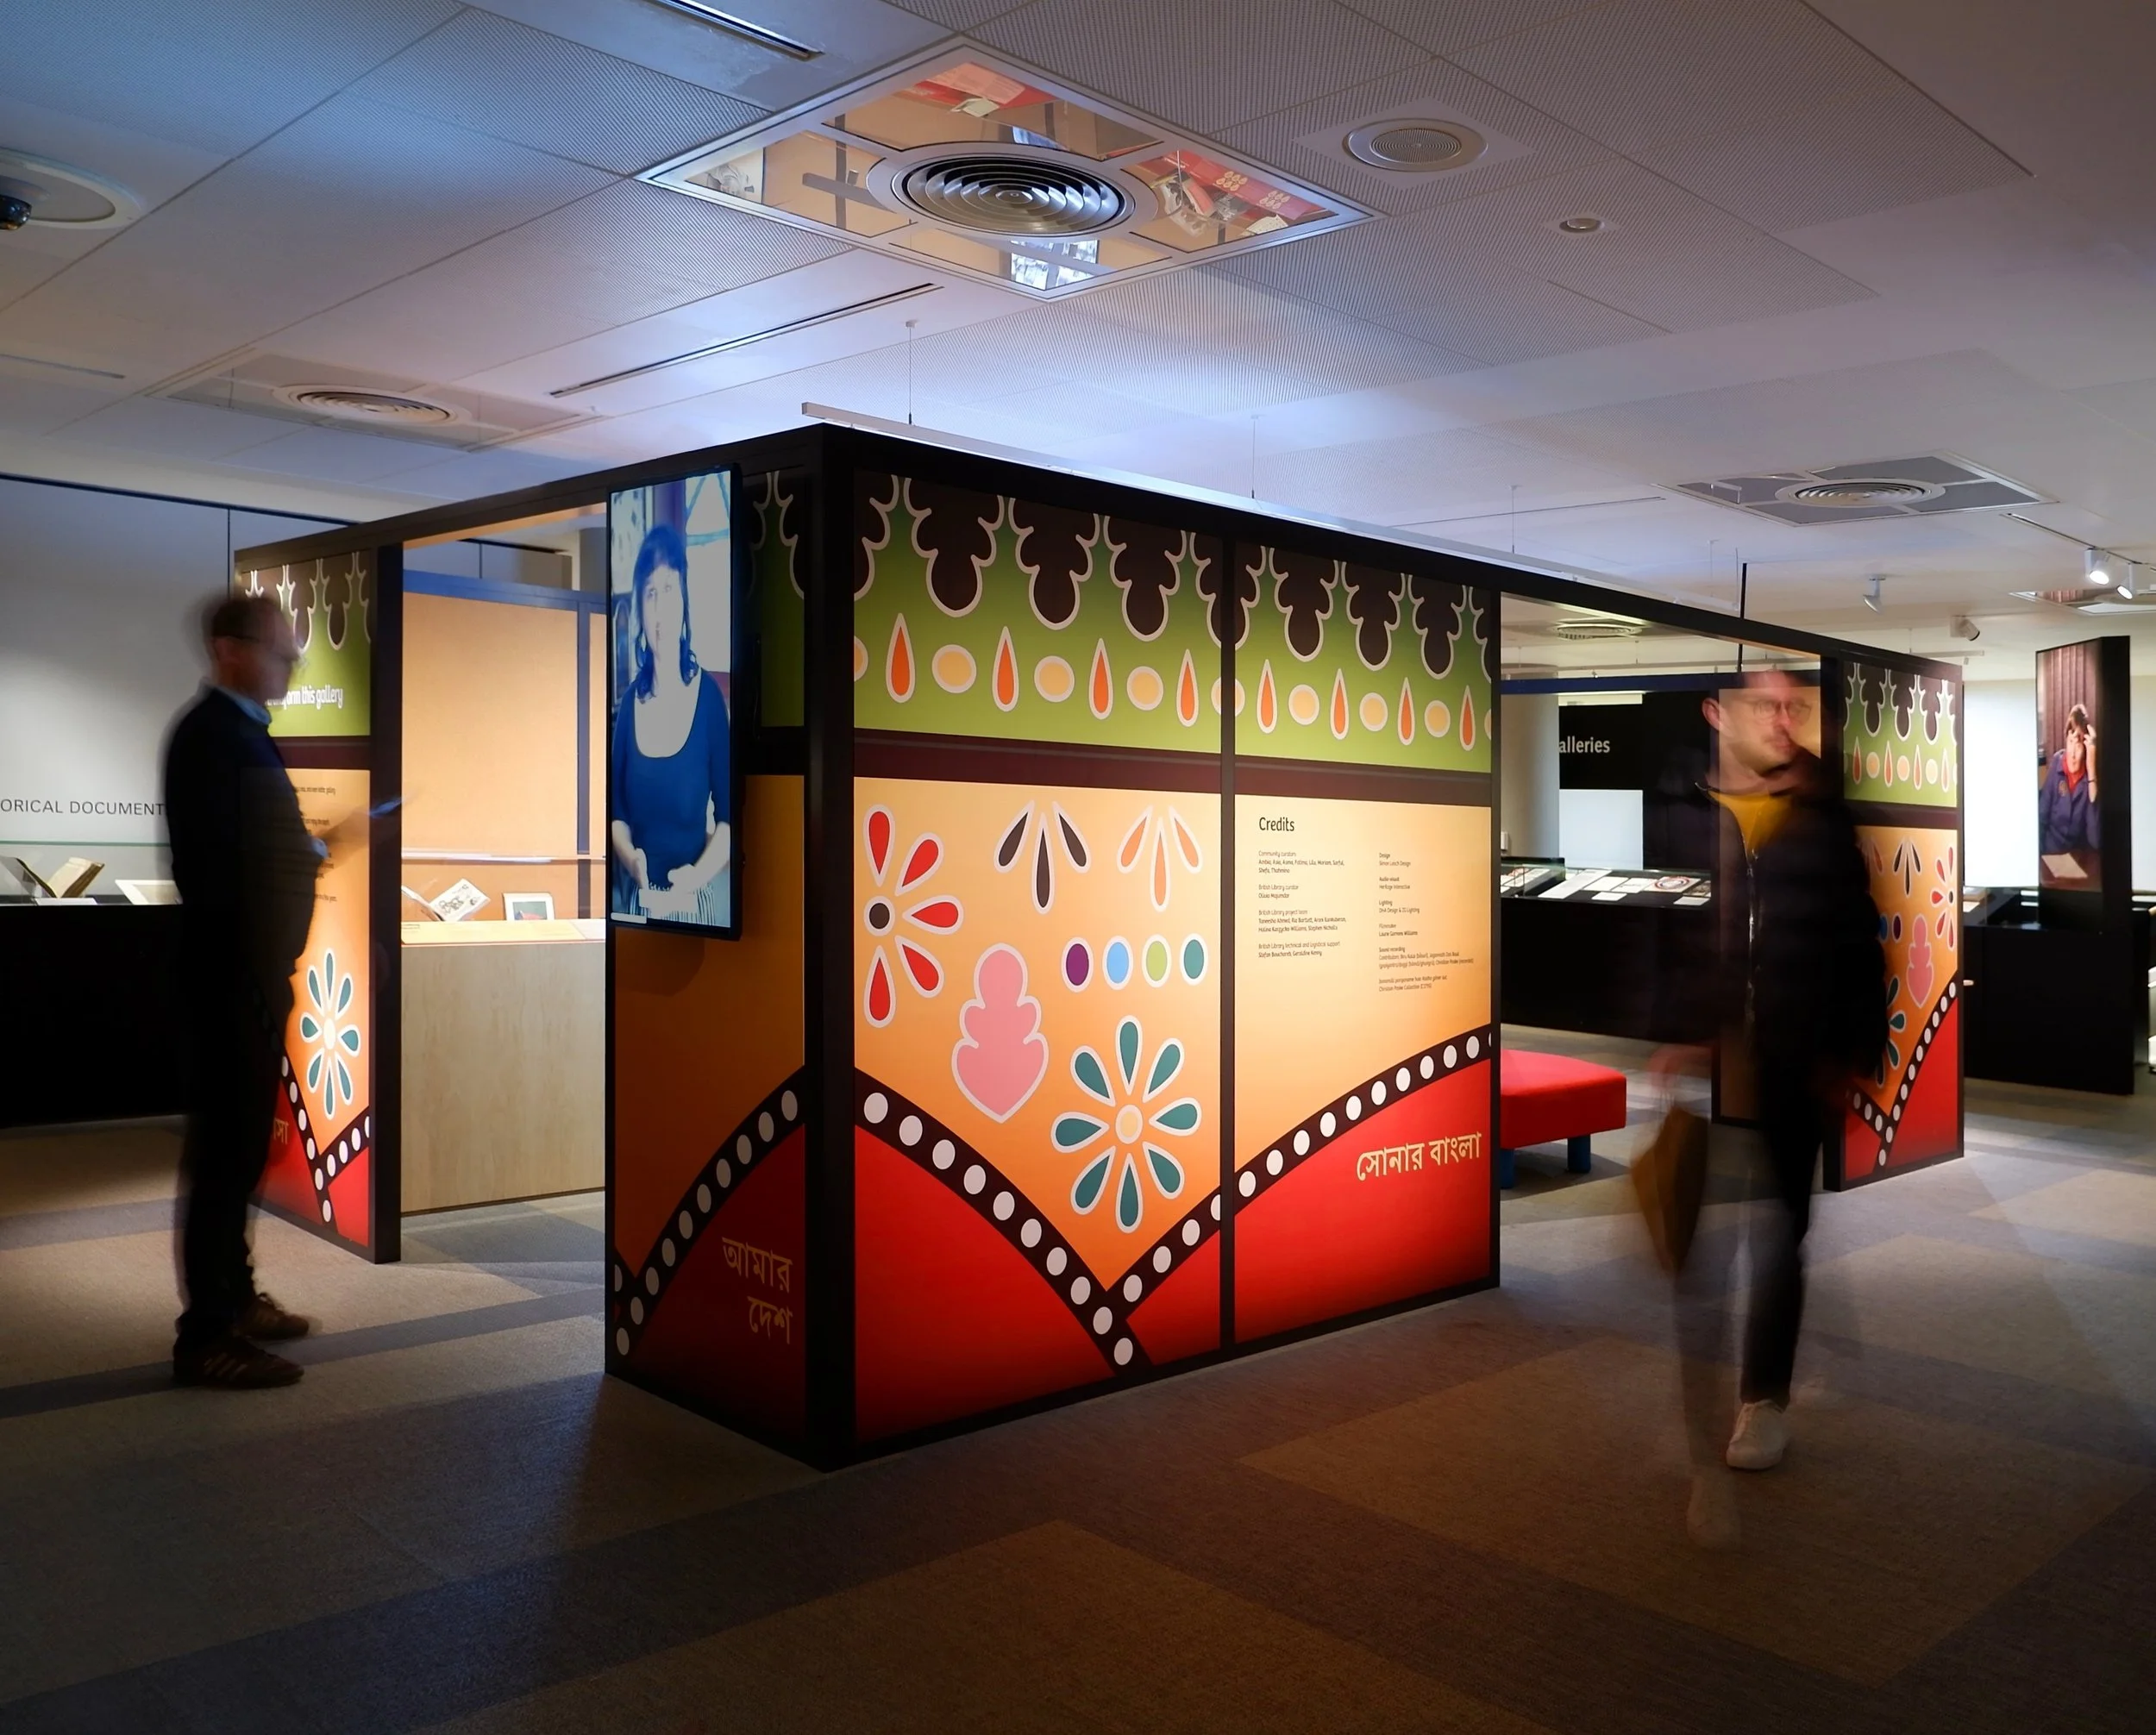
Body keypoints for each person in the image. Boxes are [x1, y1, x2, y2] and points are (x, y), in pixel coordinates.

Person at [1654, 670, 1885, 1540]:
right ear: (1720, 715)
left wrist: (1851, 1054)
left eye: (1797, 707)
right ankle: (1696, 1407)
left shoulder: (1824, 817)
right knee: (1695, 1244)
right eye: (1765, 706)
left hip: (1796, 1061)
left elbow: (1861, 945)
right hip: (1712, 1061)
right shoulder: (1687, 806)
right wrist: (1673, 1028)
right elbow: (1673, 933)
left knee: (1777, 1234)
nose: (1784, 721)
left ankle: (1761, 1396)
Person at [163, 593, 323, 1387]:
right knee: (223, 1160)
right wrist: (315, 852)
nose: (289, 665)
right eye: (280, 652)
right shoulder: (212, 740)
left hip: (251, 979)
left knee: (240, 1154)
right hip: (231, 983)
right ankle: (207, 1335)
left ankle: (234, 1298)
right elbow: (233, 868)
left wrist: (310, 849)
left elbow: (261, 851)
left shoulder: (239, 736)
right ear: (232, 651)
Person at [610, 524, 732, 925]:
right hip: (636, 905)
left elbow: (730, 824)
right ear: (640, 609)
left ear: (684, 602)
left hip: (695, 906)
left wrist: (696, 876)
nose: (660, 605)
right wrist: (631, 859)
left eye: (668, 590)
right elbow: (617, 817)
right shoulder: (629, 705)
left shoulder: (709, 699)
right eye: (650, 592)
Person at [2037, 702, 2099, 864]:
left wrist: (2092, 770)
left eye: (2078, 745)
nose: (2072, 753)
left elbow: (2095, 840)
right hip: (2049, 855)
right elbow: (2041, 819)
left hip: (2076, 860)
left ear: (2085, 748)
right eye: (2070, 742)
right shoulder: (2057, 765)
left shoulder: (2088, 779)